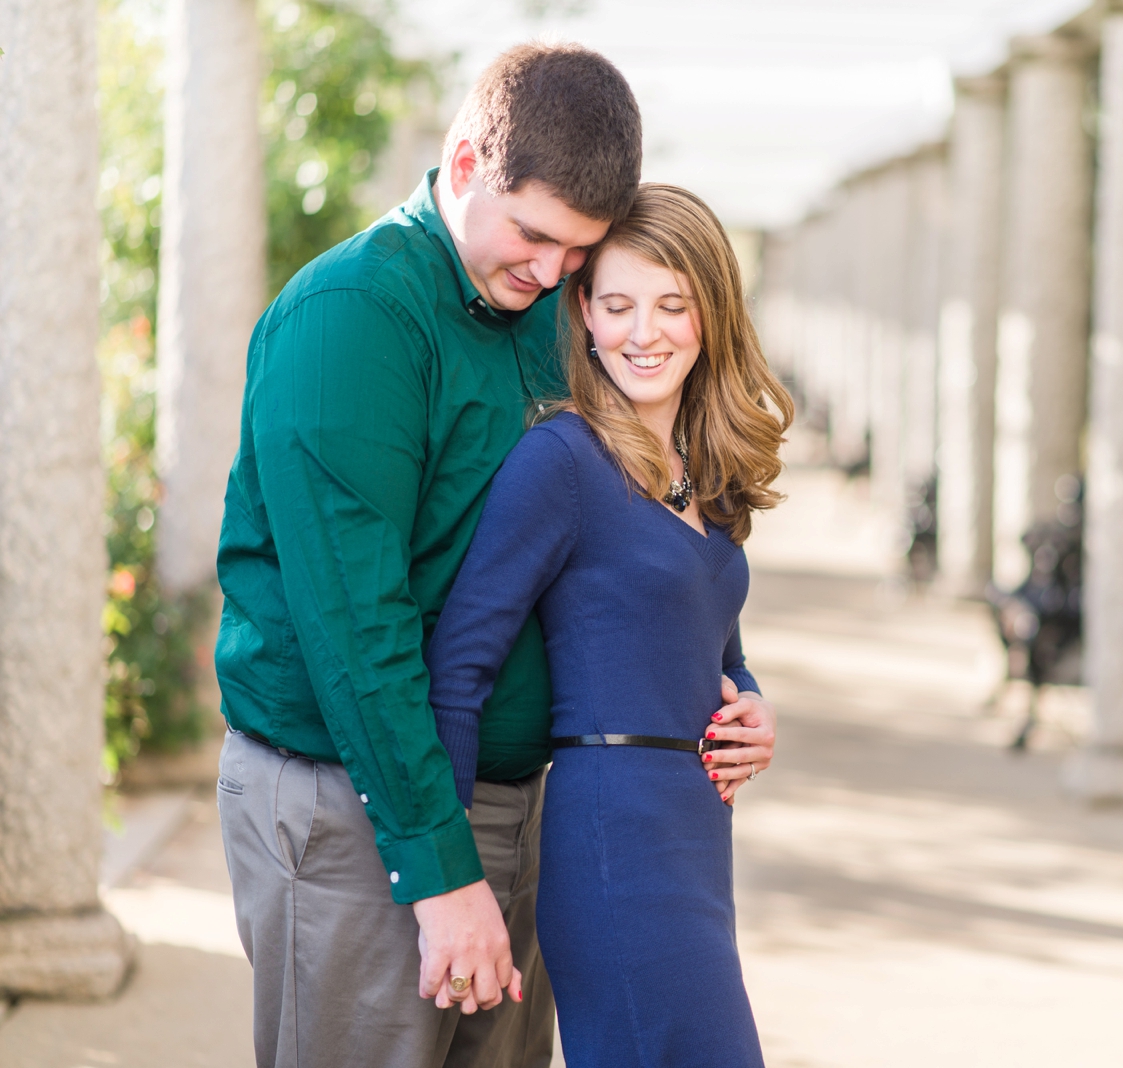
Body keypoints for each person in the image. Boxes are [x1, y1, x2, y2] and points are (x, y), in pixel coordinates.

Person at [212, 44, 777, 1068]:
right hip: (356, 802)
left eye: (578, 253)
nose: (554, 272)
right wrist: (440, 870)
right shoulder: (350, 321)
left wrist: (733, 687)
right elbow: (356, 632)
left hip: (534, 807)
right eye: (534, 236)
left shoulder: (548, 310)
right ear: (465, 162)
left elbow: (636, 548)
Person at [425, 183, 791, 1067]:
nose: (643, 332)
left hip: (695, 834)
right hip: (611, 837)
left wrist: (753, 707)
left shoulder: (706, 476)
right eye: (618, 304)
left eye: (672, 305)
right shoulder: (561, 462)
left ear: (711, 316)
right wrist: (451, 877)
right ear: (582, 312)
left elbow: (711, 646)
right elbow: (459, 667)